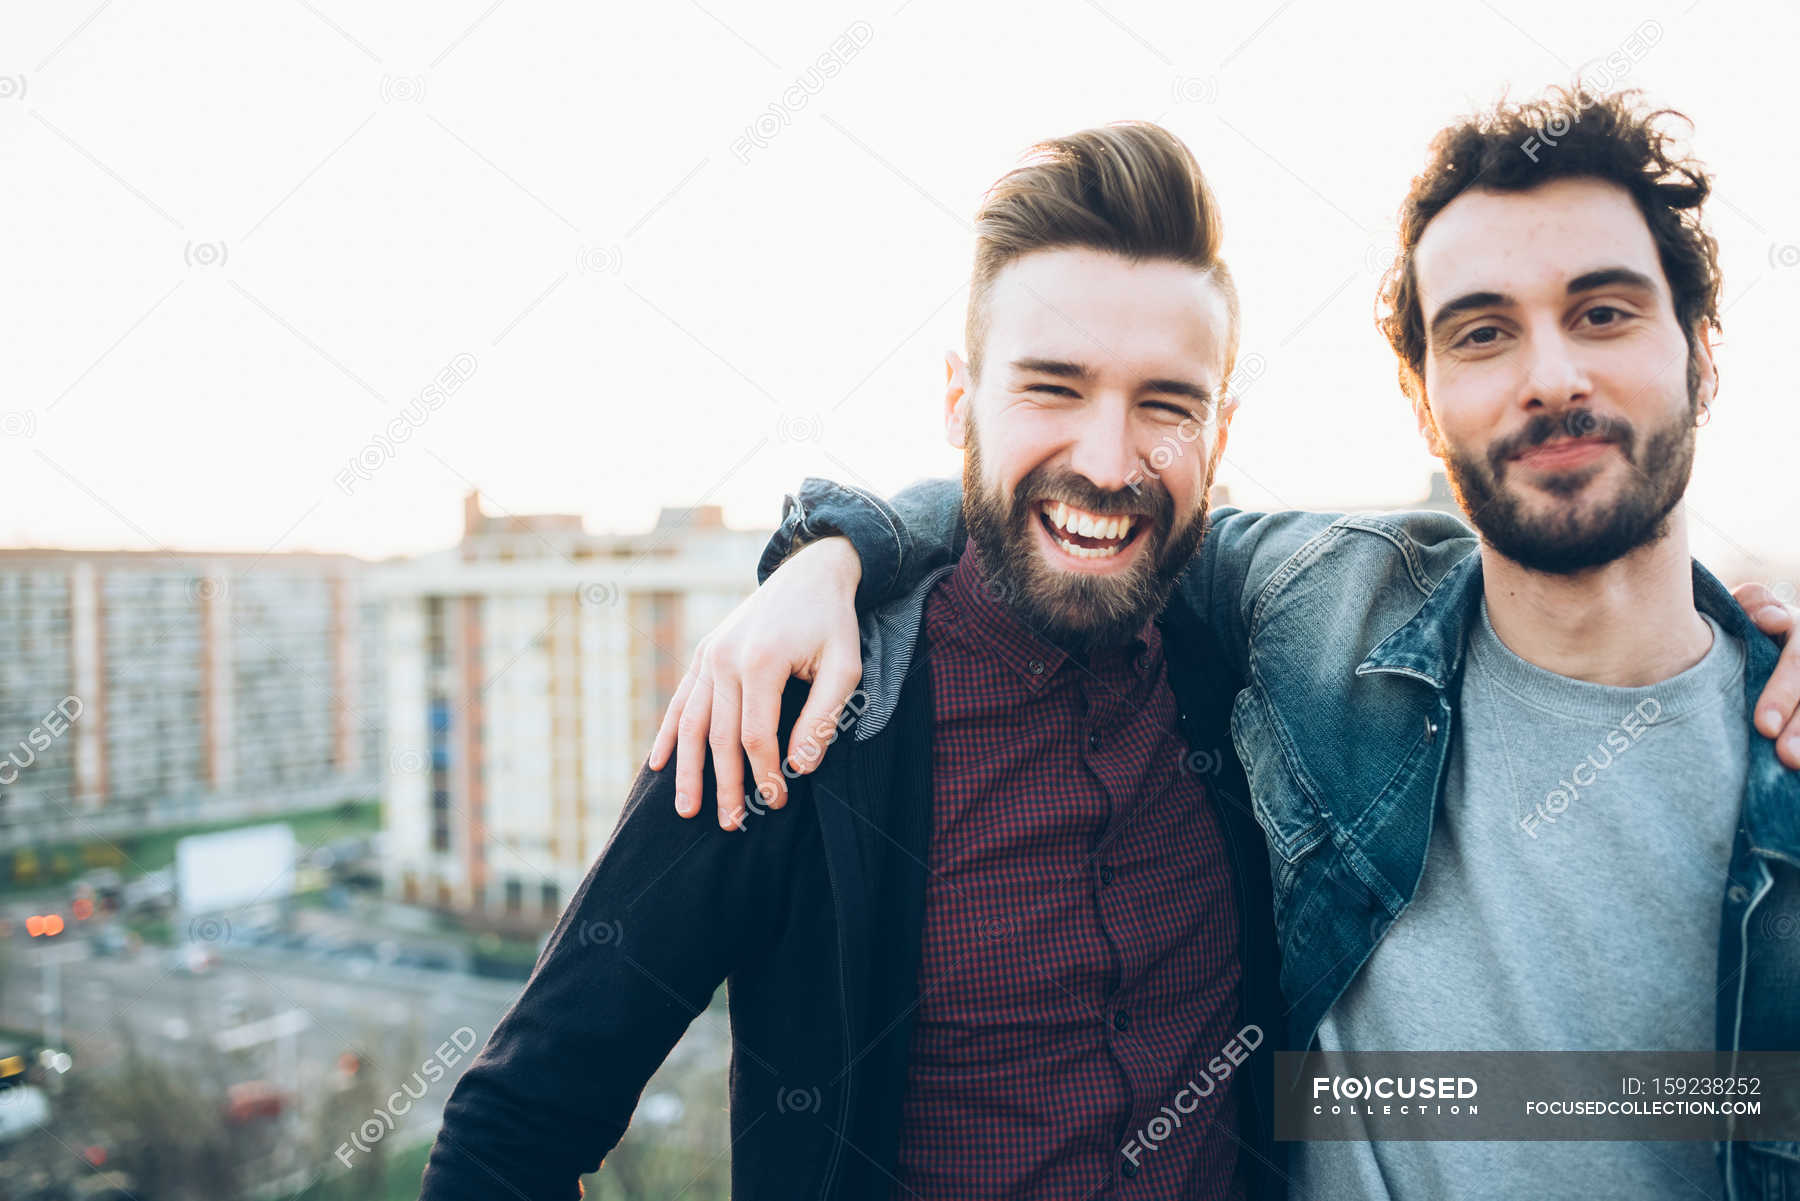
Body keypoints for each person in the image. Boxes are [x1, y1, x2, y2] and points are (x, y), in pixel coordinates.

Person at [654, 89, 1800, 1200]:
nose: (1552, 376)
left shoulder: (1780, 770)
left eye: (1604, 312)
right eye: (1483, 332)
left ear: (1703, 352)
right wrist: (834, 546)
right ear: (1422, 397)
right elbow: (1073, 499)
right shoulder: (1322, 605)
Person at [420, 122, 1288, 1201]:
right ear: (958, 402)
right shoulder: (798, 710)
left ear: (1222, 428)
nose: (1109, 462)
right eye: (1052, 389)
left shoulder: (1256, 690)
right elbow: (512, 1131)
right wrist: (830, 554)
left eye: (1167, 404)